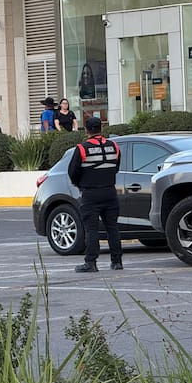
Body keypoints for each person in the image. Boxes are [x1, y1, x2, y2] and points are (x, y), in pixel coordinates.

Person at [68, 116, 123, 273]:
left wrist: (80, 185)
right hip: (110, 192)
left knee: (91, 229)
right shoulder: (114, 146)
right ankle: (117, 261)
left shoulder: (82, 148)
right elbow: (116, 167)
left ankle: (91, 262)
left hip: (90, 193)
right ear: (101, 128)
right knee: (112, 227)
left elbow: (73, 172)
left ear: (86, 130)